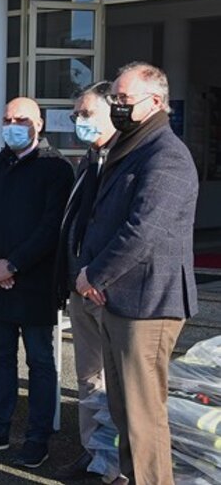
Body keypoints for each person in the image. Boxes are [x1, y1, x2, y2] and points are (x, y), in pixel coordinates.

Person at [76, 62, 199, 485]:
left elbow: (143, 231)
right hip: (121, 300)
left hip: (148, 304)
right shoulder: (132, 147)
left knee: (143, 417)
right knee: (124, 412)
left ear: (155, 102)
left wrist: (95, 275)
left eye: (124, 99)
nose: (117, 106)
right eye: (115, 99)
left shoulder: (166, 156)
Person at [0, 97, 74, 467]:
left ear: (38, 124)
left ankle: (38, 437)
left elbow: (51, 227)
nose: (12, 126)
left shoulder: (56, 168)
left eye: (21, 119)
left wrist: (13, 265)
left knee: (40, 362)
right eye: (7, 119)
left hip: (35, 283)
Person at [53, 81, 121, 480]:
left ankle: (117, 463)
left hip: (109, 290)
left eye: (86, 113)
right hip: (79, 288)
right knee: (88, 378)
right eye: (76, 114)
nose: (79, 121)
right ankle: (93, 452)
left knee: (118, 382)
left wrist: (98, 276)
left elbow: (131, 230)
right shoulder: (88, 160)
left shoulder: (126, 160)